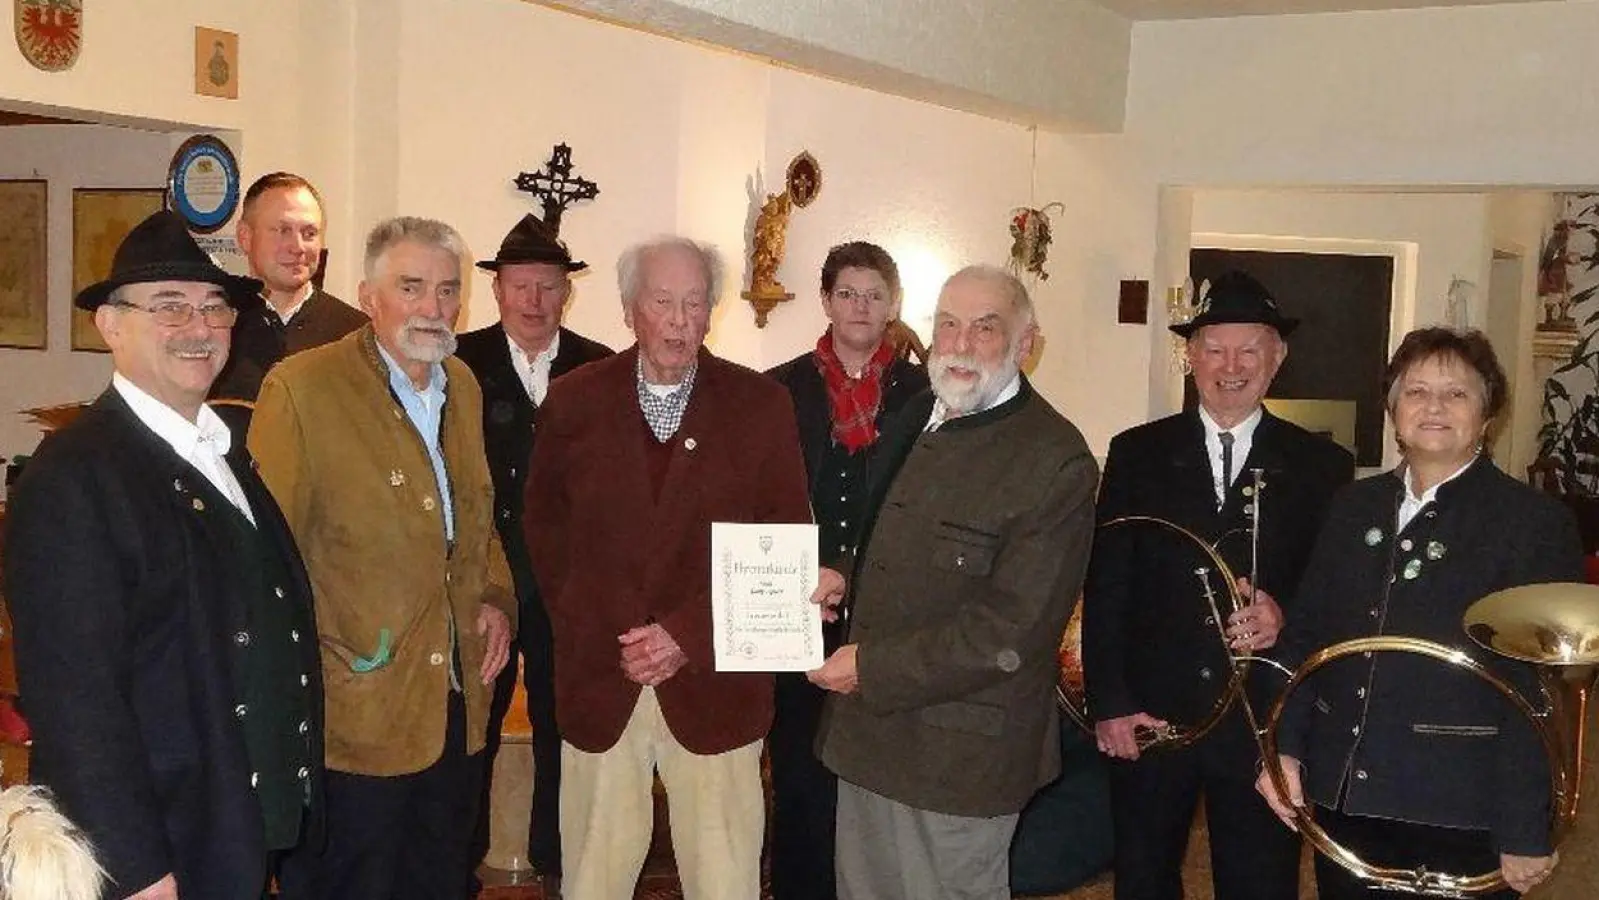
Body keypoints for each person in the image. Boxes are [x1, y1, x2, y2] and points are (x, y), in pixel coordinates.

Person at [3, 210, 323, 900]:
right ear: (110, 326)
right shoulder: (74, 475)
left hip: (233, 819)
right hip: (165, 840)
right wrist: (136, 866)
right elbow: (75, 699)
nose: (199, 327)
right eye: (170, 307)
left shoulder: (226, 447)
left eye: (214, 308)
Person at [523, 236, 813, 900]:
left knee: (725, 879)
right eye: (662, 302)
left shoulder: (759, 406)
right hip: (603, 676)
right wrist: (600, 628)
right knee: (592, 877)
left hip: (716, 684)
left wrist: (686, 633)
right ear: (630, 309)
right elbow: (546, 531)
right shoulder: (573, 402)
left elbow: (784, 540)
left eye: (694, 302)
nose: (680, 320)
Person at [810, 264, 1099, 900]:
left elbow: (1012, 629)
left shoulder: (1056, 459)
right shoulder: (917, 414)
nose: (960, 343)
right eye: (948, 325)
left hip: (962, 762)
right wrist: (844, 577)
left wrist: (873, 667)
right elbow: (894, 535)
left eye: (984, 328)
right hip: (870, 740)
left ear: (1026, 345)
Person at [1257, 327, 1577, 898]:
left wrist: (1525, 825)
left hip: (1462, 807)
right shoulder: (1353, 506)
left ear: (1487, 414)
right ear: (1393, 409)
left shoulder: (1532, 525)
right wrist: (1282, 748)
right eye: (1416, 391)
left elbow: (1540, 690)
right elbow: (1308, 634)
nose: (1433, 407)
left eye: (1456, 394)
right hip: (1347, 796)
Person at [249, 216, 516, 900]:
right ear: (369, 296)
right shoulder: (302, 389)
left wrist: (495, 597)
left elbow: (477, 522)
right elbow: (264, 563)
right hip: (354, 716)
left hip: (453, 710)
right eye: (412, 287)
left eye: (448, 290)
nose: (433, 308)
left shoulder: (463, 385)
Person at [1081, 269, 1353, 900]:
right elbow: (1108, 581)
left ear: (1277, 357)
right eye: (1213, 348)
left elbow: (1332, 592)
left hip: (1265, 719)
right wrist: (1110, 700)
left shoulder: (1324, 467)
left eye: (1249, 349)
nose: (1230, 366)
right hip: (1152, 713)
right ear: (1189, 355)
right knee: (1143, 878)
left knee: (1260, 881)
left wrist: (1284, 616)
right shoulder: (1135, 453)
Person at [764, 240, 927, 900]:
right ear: (826, 300)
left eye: (874, 294)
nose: (860, 306)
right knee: (800, 772)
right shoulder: (778, 388)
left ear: (893, 306)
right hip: (797, 609)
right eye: (847, 293)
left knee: (878, 777)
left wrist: (854, 575)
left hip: (888, 616)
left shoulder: (926, 394)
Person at [456, 213, 612, 895]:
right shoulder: (457, 362)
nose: (533, 299)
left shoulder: (600, 365)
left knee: (563, 728)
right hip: (481, 578)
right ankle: (454, 864)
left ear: (565, 293)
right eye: (520, 285)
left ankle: (557, 865)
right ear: (497, 290)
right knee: (469, 731)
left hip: (568, 583)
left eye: (547, 286)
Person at [210, 172, 367, 415]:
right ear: (245, 237)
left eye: (309, 233)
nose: (298, 247)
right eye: (282, 230)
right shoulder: (213, 326)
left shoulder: (357, 336)